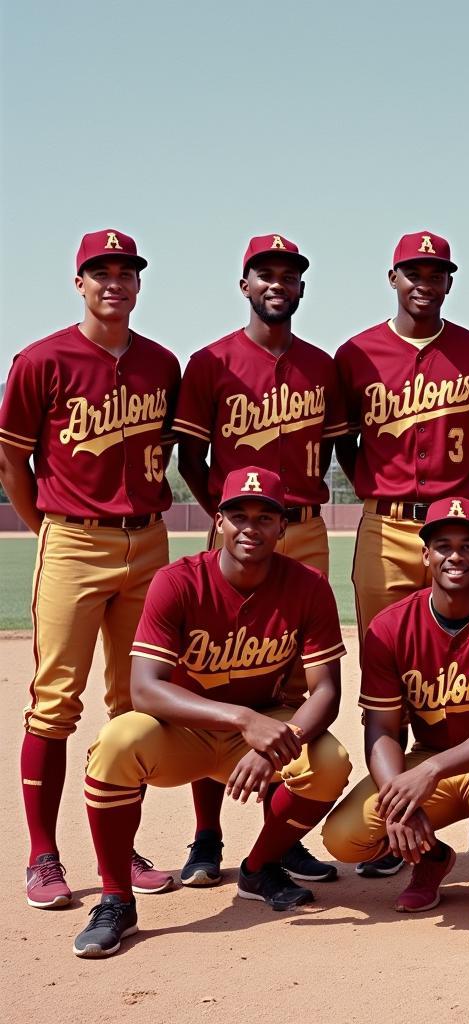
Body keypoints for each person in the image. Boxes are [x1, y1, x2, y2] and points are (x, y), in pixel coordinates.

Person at [71, 468, 351, 957]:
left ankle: (259, 868)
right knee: (115, 744)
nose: (251, 527)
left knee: (331, 763)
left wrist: (278, 741)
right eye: (238, 515)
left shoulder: (308, 586)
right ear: (218, 521)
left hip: (263, 730)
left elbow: (327, 691)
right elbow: (145, 691)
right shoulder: (177, 581)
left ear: (283, 526)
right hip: (185, 732)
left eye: (265, 517)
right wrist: (245, 721)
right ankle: (116, 898)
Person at [0, 229, 179, 908]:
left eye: (125, 271)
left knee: (132, 703)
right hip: (73, 539)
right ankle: (43, 855)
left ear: (139, 283)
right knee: (54, 702)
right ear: (79, 283)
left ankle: (117, 846)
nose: (114, 282)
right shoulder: (41, 359)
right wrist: (46, 526)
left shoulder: (163, 364)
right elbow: (12, 461)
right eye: (99, 272)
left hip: (149, 538)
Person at [334, 231, 469, 877]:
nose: (424, 281)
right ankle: (397, 815)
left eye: (436, 272)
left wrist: (455, 500)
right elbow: (344, 446)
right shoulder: (355, 353)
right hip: (384, 526)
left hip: (454, 527)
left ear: (449, 281)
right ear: (393, 278)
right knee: (387, 676)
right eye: (413, 271)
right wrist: (377, 491)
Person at [172, 233, 344, 888]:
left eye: (289, 274)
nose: (278, 283)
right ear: (244, 285)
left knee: (294, 686)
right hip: (239, 534)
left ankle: (283, 835)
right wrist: (229, 522)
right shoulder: (209, 361)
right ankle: (206, 836)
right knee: (217, 676)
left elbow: (335, 452)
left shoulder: (321, 366)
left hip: (303, 528)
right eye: (264, 273)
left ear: (301, 287)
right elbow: (190, 457)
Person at [321, 498, 469, 925]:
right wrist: (397, 800)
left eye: (468, 545)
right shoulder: (389, 628)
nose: (455, 556)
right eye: (443, 545)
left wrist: (431, 771)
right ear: (425, 555)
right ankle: (432, 858)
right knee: (344, 838)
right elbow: (382, 728)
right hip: (430, 759)